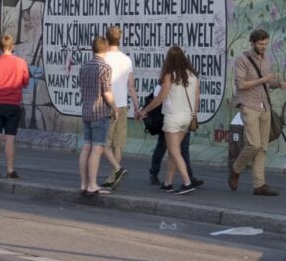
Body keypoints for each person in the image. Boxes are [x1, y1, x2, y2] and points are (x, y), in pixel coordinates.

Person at [136, 46, 200, 195]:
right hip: (187, 118)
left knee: (174, 151)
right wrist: (192, 114)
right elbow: (197, 100)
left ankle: (186, 182)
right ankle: (167, 183)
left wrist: (144, 111)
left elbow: (160, 98)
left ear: (168, 60)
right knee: (174, 152)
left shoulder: (169, 76)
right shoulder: (193, 76)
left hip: (172, 118)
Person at [229, 28, 284, 196]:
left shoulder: (267, 59)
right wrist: (264, 80)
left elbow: (267, 84)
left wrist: (278, 84)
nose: (263, 46)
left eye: (266, 43)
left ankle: (259, 185)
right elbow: (241, 84)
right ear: (252, 43)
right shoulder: (242, 59)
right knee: (254, 144)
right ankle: (236, 169)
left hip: (265, 107)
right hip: (249, 105)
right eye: (260, 43)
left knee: (263, 147)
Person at [0, 34, 30, 179]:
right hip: (13, 104)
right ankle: (10, 170)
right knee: (10, 138)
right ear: (12, 47)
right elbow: (25, 82)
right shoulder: (21, 62)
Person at [78, 36, 117, 196]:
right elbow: (107, 93)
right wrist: (114, 108)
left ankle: (84, 184)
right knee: (98, 148)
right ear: (107, 49)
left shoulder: (84, 66)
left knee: (86, 147)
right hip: (100, 112)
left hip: (86, 111)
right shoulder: (105, 67)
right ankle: (93, 185)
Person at [100, 26, 136, 189]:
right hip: (122, 105)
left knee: (103, 142)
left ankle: (117, 169)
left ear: (107, 39)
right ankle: (112, 176)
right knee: (118, 144)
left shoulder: (104, 58)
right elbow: (131, 85)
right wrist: (137, 106)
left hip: (108, 105)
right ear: (119, 39)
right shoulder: (126, 59)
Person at [147, 83, 202, 187]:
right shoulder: (165, 81)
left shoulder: (187, 80)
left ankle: (187, 178)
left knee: (182, 149)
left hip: (182, 118)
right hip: (169, 118)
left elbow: (194, 98)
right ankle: (154, 173)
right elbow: (157, 99)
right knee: (163, 147)